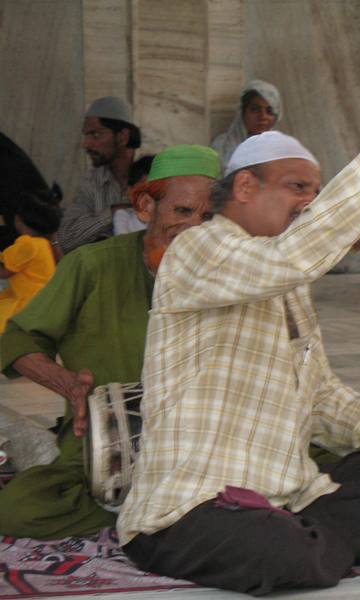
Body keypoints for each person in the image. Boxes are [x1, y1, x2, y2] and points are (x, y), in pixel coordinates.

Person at [118, 74, 360, 595]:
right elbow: (298, 255)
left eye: (315, 194)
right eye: (297, 188)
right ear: (245, 187)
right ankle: (309, 547)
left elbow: (322, 400)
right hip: (192, 507)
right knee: (293, 556)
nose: (309, 205)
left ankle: (305, 540)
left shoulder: (286, 283)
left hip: (282, 500)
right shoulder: (198, 249)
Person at [0, 145, 220, 539]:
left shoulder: (229, 274)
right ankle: (167, 513)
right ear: (146, 208)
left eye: (208, 217)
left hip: (203, 443)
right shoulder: (91, 265)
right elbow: (17, 338)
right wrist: (67, 385)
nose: (195, 228)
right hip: (101, 445)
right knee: (19, 510)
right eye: (182, 211)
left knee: (319, 467)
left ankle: (161, 511)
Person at [56, 97, 141, 253]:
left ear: (123, 137)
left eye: (95, 134)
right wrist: (113, 214)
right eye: (86, 135)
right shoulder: (91, 183)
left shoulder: (153, 172)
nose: (86, 144)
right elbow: (66, 238)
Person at [0, 191, 62, 331]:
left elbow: (4, 272)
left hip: (27, 303)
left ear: (20, 220)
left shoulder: (27, 244)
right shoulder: (43, 243)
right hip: (42, 302)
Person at [211, 79, 282, 170]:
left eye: (269, 111)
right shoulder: (222, 146)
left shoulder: (283, 150)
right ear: (243, 113)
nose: (263, 116)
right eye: (255, 109)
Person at [113, 154, 155, 235]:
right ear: (131, 192)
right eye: (143, 191)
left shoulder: (166, 217)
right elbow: (124, 244)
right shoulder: (123, 216)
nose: (149, 197)